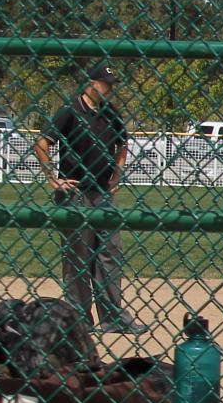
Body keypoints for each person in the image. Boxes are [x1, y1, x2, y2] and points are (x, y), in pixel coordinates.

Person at [33, 64, 142, 334]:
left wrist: (116, 175)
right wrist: (52, 178)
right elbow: (42, 143)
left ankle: (112, 316)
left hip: (102, 194)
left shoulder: (110, 113)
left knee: (109, 253)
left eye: (112, 84)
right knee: (77, 258)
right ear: (91, 84)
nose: (110, 89)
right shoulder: (70, 111)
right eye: (106, 84)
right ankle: (79, 317)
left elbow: (123, 143)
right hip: (75, 194)